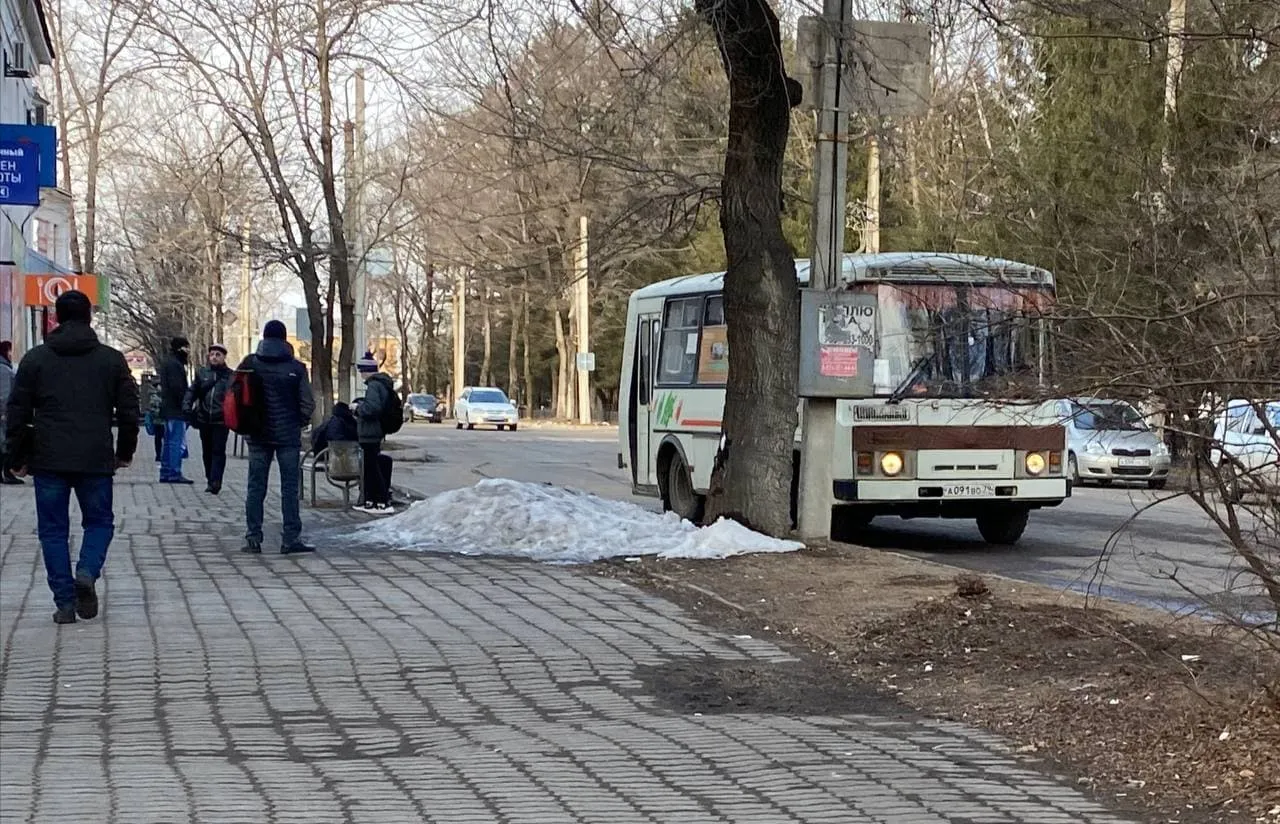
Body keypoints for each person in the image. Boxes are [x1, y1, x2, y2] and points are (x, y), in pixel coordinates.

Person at [3, 290, 139, 625]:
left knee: (52, 531)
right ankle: (87, 571)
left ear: (57, 318)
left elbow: (17, 412)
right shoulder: (111, 359)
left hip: (48, 457)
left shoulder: (36, 359)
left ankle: (65, 603)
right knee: (99, 522)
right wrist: (124, 452)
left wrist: (14, 457)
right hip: (95, 456)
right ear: (89, 318)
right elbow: (129, 411)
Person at [239, 320, 316, 554]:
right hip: (288, 436)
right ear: (284, 339)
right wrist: (297, 423)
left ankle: (254, 537)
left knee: (255, 487)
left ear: (264, 337)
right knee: (290, 488)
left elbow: (236, 395)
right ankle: (290, 538)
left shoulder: (251, 363)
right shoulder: (297, 368)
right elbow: (307, 403)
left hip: (257, 435)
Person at [184, 343, 232, 494]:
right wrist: (187, 405)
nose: (215, 357)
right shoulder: (203, 373)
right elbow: (193, 391)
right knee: (207, 450)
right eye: (212, 355)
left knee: (218, 450)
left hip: (221, 420)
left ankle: (215, 481)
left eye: (218, 355)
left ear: (224, 357)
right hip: (204, 418)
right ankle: (209, 476)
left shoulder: (230, 376)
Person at [354, 351, 395, 515]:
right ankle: (372, 500)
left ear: (365, 370)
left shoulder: (373, 386)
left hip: (369, 433)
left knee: (371, 468)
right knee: (372, 466)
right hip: (376, 432)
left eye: (361, 370)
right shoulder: (383, 384)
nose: (360, 374)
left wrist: (357, 408)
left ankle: (381, 501)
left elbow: (372, 408)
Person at [158, 336, 193, 484]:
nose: (188, 351)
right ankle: (174, 472)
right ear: (180, 348)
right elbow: (177, 388)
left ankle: (166, 472)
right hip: (175, 409)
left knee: (168, 441)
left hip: (168, 408)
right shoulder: (175, 365)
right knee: (175, 442)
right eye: (186, 348)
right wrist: (186, 404)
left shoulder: (169, 362)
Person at [0, 340, 21, 485]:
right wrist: (5, 412)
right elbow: (4, 393)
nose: (11, 353)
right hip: (4, 413)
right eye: (9, 350)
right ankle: (7, 473)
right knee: (5, 443)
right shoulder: (3, 369)